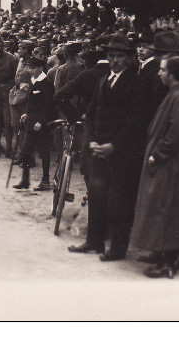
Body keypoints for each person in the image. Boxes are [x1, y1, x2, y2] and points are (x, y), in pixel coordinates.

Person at [68, 34, 148, 262]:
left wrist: (114, 145)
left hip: (122, 154)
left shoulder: (137, 83)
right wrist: (92, 139)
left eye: (120, 56)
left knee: (119, 202)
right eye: (111, 56)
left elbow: (136, 121)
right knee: (96, 196)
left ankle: (118, 247)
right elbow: (92, 113)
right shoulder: (104, 80)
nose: (115, 61)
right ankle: (93, 241)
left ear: (129, 59)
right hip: (99, 151)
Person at [130, 55, 179, 279]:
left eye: (162, 70)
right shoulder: (177, 94)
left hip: (169, 162)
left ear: (173, 74)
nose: (159, 73)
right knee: (162, 208)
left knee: (165, 210)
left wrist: (157, 155)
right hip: (168, 160)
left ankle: (167, 262)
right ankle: (163, 253)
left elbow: (178, 130)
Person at [12, 50, 57, 191]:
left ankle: (45, 181)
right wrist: (26, 113)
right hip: (31, 122)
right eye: (28, 67)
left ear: (41, 68)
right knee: (26, 152)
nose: (30, 70)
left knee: (44, 153)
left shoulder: (47, 82)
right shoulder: (33, 80)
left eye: (32, 68)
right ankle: (25, 180)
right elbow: (31, 101)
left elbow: (48, 105)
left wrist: (41, 121)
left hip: (41, 124)